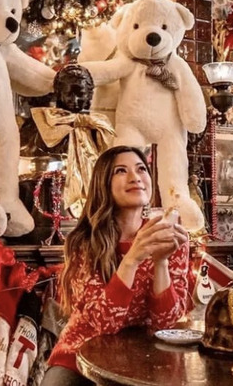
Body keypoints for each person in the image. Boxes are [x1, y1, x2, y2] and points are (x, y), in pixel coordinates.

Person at [42, 145, 195, 385]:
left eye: (141, 169)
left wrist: (161, 262)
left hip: (143, 360)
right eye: (121, 171)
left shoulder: (167, 237)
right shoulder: (85, 241)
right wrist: (132, 258)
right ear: (104, 184)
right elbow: (104, 323)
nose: (135, 177)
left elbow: (165, 324)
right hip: (80, 357)